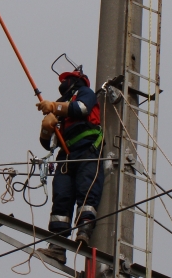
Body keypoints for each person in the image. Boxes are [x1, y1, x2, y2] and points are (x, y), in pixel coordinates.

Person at [35, 68, 104, 265]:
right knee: (62, 198)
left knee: (87, 188)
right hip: (66, 156)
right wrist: (47, 129)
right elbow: (47, 144)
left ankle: (84, 229)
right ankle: (57, 246)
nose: (63, 84)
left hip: (87, 149)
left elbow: (81, 109)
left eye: (67, 80)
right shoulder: (63, 108)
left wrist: (55, 107)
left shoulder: (85, 94)